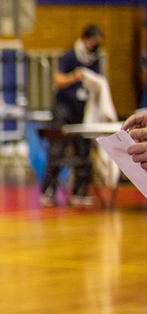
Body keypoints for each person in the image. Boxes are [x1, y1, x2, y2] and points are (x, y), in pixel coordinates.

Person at [40, 24, 105, 208]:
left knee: (83, 150)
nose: (95, 45)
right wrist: (76, 76)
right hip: (64, 109)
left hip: (83, 111)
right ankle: (48, 190)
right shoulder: (70, 56)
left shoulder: (96, 59)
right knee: (57, 150)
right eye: (94, 40)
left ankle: (80, 191)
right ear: (86, 39)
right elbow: (58, 80)